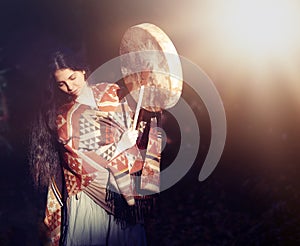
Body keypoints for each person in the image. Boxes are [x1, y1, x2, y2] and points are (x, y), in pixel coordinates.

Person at [29, 50, 162, 245]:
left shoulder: (112, 92)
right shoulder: (64, 116)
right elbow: (80, 159)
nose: (69, 87)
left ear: (83, 70)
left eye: (72, 78)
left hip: (124, 184)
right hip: (90, 191)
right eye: (61, 84)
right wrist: (120, 147)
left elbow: (139, 117)